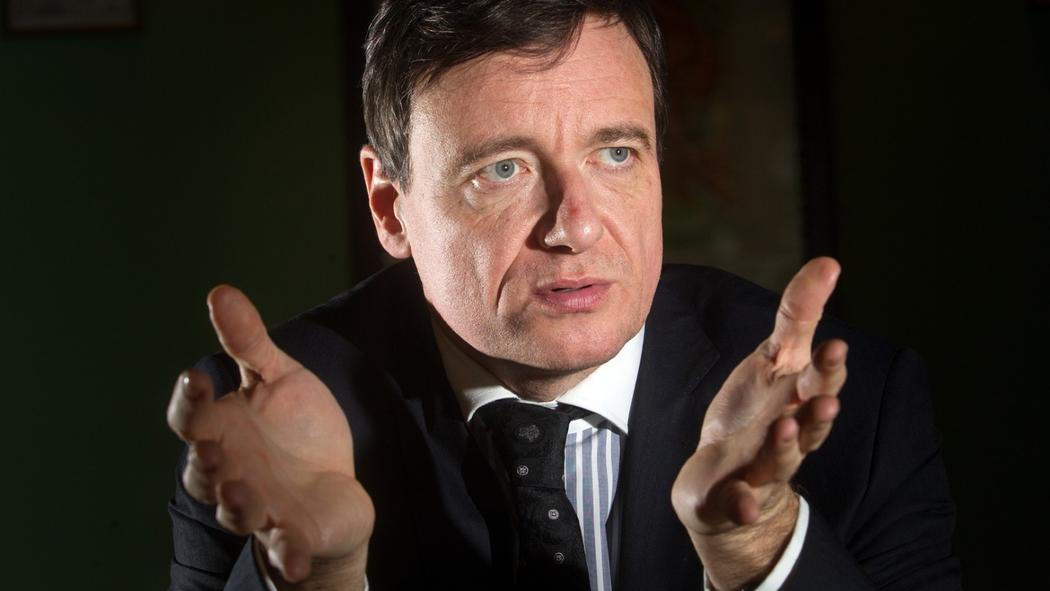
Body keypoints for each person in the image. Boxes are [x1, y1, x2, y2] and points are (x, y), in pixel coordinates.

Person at [167, 1, 960, 590]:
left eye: (615, 153)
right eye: (502, 169)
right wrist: (318, 579)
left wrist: (759, 551)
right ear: (390, 207)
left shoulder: (855, 409)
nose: (575, 226)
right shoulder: (266, 427)